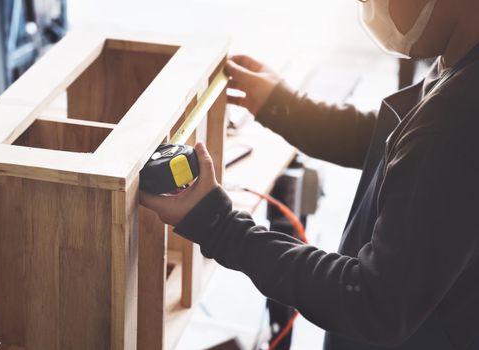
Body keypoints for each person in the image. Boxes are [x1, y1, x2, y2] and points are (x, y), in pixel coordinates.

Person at [141, 0, 479, 349]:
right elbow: (397, 142)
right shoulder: (460, 54)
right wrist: (286, 107)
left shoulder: (460, 120)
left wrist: (221, 227)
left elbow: (372, 302)